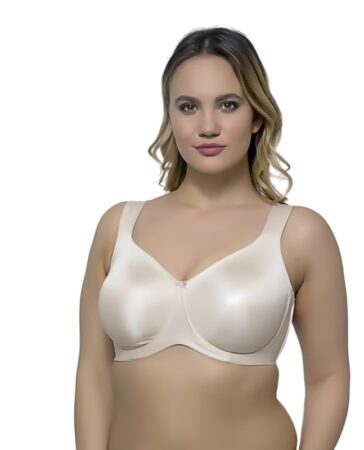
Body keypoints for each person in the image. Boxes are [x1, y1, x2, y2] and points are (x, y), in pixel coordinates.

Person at [74, 26, 350, 450]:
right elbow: (93, 373)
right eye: (188, 106)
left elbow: (328, 376)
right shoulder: (118, 227)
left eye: (228, 105)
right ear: (170, 115)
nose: (207, 126)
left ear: (256, 116)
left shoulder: (300, 235)